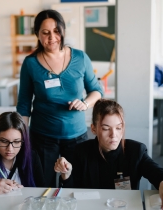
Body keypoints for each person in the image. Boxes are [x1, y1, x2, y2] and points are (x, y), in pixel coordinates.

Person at [16, 9, 103, 187]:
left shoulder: (80, 57)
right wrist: (21, 137)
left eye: (56, 31)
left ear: (62, 30)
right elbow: (24, 105)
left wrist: (85, 103)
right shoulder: (30, 63)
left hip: (77, 136)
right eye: (45, 33)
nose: (52, 37)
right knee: (43, 185)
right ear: (37, 34)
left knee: (75, 184)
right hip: (43, 137)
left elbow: (96, 90)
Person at [54, 99, 163, 205]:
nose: (114, 135)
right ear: (93, 129)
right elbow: (72, 194)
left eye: (119, 128)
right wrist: (66, 174)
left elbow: (156, 173)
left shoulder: (135, 151)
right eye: (106, 129)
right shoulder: (82, 151)